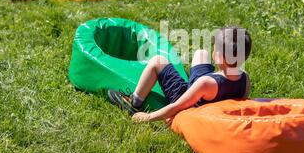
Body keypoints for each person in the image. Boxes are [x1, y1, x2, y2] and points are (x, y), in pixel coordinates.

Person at [108, 27, 251, 122]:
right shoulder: (245, 78)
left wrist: (147, 117)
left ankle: (134, 101)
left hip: (191, 104)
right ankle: (193, 86)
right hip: (210, 93)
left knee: (157, 61)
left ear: (219, 57)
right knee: (201, 53)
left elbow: (176, 107)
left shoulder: (206, 83)